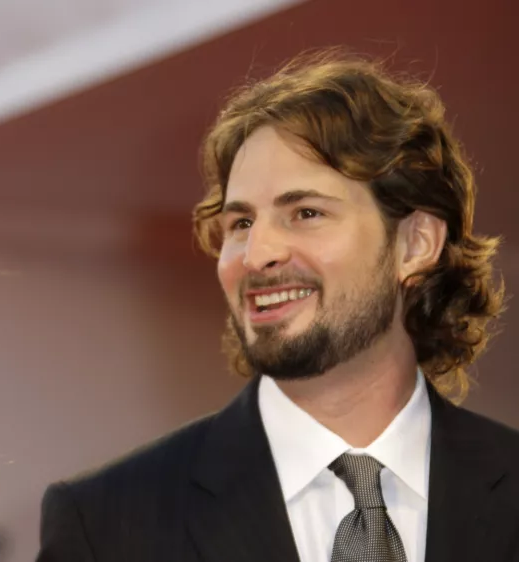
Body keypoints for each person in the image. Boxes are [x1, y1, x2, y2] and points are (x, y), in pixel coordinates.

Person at [36, 50, 516, 562]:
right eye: (241, 223)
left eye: (305, 213)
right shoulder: (106, 526)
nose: (256, 254)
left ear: (415, 244)